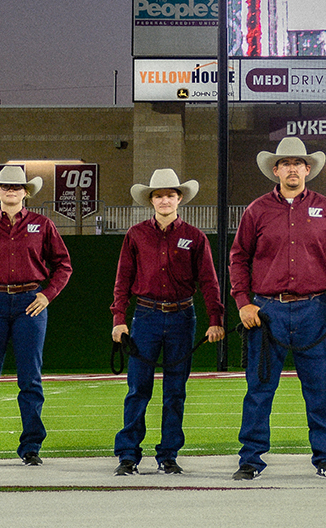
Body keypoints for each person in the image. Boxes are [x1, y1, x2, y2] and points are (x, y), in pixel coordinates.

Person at [229, 137, 326, 480]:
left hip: (313, 309)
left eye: (298, 163)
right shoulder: (256, 210)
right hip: (266, 312)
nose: (292, 168)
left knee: (319, 389)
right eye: (285, 163)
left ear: (308, 169)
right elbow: (238, 258)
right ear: (275, 170)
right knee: (259, 390)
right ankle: (250, 460)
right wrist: (243, 302)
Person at [0, 165, 72, 467]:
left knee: (30, 379)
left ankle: (31, 447)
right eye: (5, 186)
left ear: (26, 192)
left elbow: (63, 265)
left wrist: (48, 294)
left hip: (30, 303)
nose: (10, 190)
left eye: (16, 187)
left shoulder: (43, 225)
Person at [111, 169, 225, 476]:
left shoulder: (195, 237)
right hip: (145, 316)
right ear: (151, 200)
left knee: (176, 390)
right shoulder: (135, 235)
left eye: (170, 195)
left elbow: (209, 281)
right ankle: (128, 455)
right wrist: (118, 318)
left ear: (179, 199)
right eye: (159, 195)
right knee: (138, 388)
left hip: (182, 316)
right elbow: (123, 279)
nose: (164, 200)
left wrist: (216, 318)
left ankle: (168, 455)